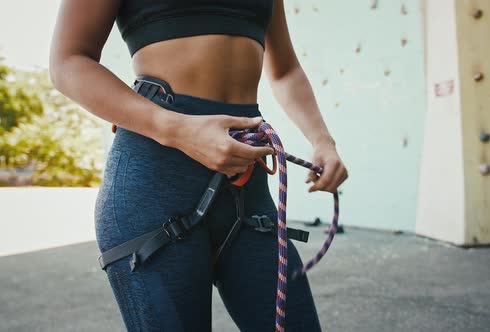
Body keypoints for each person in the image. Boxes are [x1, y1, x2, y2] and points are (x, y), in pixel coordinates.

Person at [49, 0, 348, 331]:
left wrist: (323, 140)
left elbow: (285, 69)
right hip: (155, 180)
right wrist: (176, 129)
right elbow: (68, 61)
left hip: (247, 181)